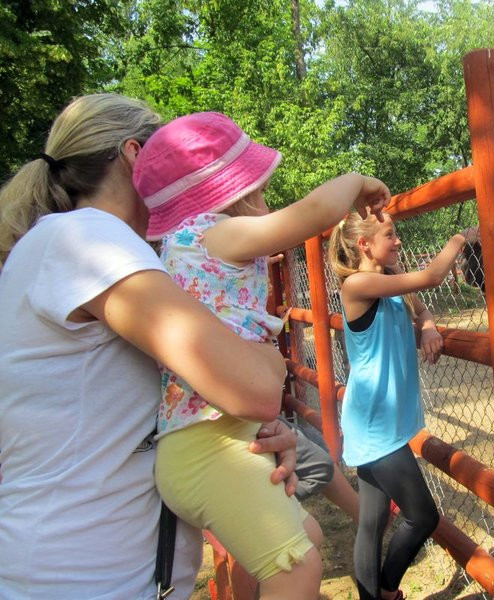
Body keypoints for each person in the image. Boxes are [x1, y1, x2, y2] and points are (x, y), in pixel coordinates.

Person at [0, 93, 300, 600]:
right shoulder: (88, 239)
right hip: (78, 580)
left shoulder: (89, 249)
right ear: (136, 156)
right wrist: (265, 370)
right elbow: (254, 387)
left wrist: (251, 433)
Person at [131, 110, 391, 600]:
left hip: (214, 440)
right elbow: (310, 216)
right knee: (295, 568)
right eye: (260, 190)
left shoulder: (178, 247)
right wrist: (356, 181)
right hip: (210, 446)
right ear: (233, 195)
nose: (267, 202)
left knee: (307, 538)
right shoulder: (213, 233)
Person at [328, 211, 466, 600]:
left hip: (382, 420)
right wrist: (459, 238)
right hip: (374, 422)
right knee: (422, 517)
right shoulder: (357, 285)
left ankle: (377, 597)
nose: (398, 241)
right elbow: (432, 277)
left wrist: (428, 326)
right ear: (364, 244)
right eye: (390, 235)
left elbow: (420, 306)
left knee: (372, 523)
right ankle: (387, 592)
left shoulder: (389, 278)